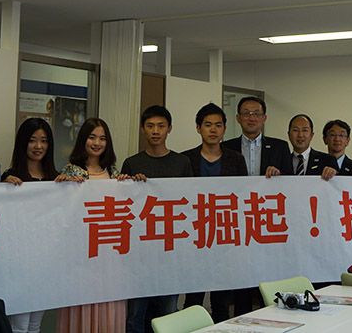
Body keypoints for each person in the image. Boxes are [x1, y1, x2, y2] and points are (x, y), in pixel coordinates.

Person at [121, 105, 192, 333]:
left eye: (161, 126)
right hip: (139, 251)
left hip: (170, 249)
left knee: (168, 312)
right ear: (142, 129)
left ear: (169, 128)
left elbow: (189, 202)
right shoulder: (132, 162)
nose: (155, 131)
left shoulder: (182, 162)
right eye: (150, 126)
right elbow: (123, 204)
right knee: (135, 316)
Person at [57, 118, 128, 333]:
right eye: (92, 137)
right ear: (83, 140)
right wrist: (61, 186)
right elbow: (62, 211)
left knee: (108, 305)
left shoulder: (114, 173)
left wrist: (130, 185)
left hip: (110, 253)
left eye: (102, 138)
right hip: (82, 253)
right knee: (83, 304)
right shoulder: (71, 171)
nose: (97, 143)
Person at [182, 103, 248, 322]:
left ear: (224, 129)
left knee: (222, 301)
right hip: (195, 236)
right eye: (208, 125)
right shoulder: (186, 159)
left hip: (224, 237)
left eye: (218, 125)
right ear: (198, 128)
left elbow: (242, 196)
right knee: (193, 299)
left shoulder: (236, 158)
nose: (213, 130)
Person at [1, 117, 63, 333]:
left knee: (35, 324)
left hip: (46, 263)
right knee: (18, 326)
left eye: (44, 141)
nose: (38, 146)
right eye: (32, 140)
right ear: (22, 143)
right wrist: (3, 188)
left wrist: (71, 189)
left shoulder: (57, 179)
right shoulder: (11, 177)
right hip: (19, 263)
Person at [221, 96, 292, 178]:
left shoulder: (280, 147)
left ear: (264, 118)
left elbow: (290, 177)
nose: (252, 118)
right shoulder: (226, 147)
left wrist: (278, 173)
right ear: (238, 118)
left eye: (256, 114)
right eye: (247, 113)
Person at [287, 114, 337, 179]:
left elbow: (339, 182)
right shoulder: (282, 162)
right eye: (295, 130)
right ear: (289, 135)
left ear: (311, 135)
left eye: (305, 130)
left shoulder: (327, 160)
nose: (300, 135)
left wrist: (333, 173)